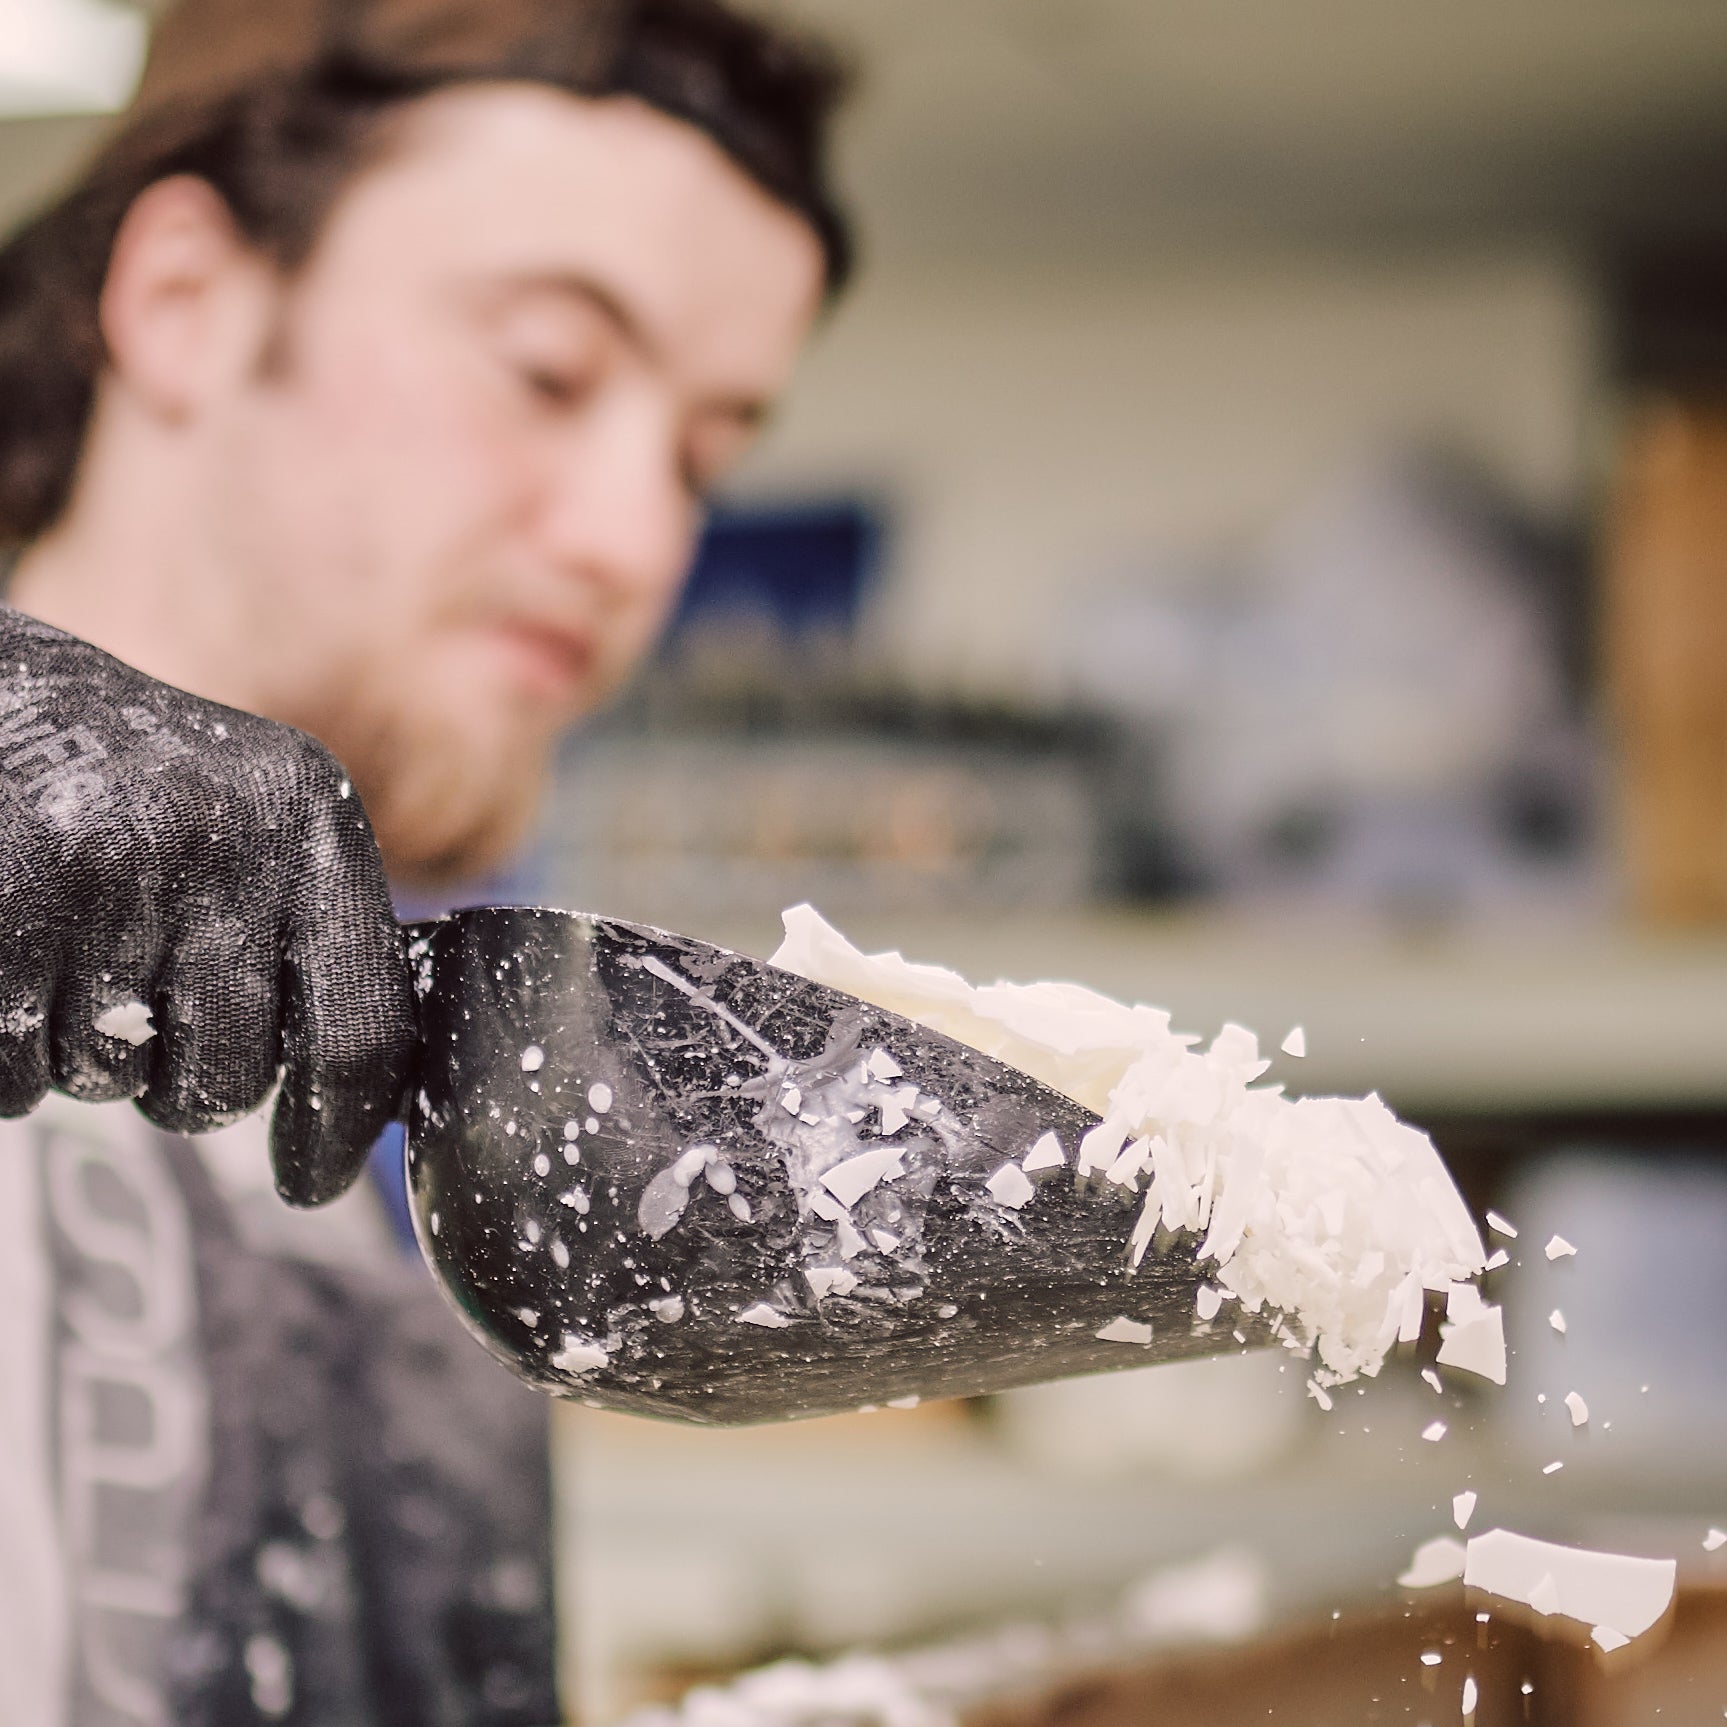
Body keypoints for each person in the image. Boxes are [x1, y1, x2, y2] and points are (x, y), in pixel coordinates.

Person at [0, 0, 850, 1718]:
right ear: (186, 303)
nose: (636, 541)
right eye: (544, 370)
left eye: (705, 455)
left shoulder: (372, 1135)